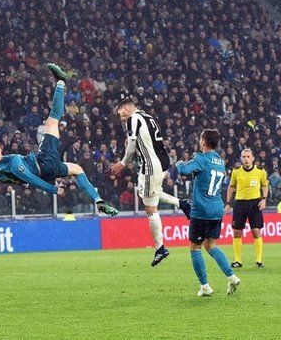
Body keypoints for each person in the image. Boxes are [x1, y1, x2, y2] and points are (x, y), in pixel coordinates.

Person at [0, 64, 119, 217]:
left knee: (77, 169)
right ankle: (60, 82)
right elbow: (30, 179)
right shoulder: (14, 164)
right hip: (44, 162)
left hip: (46, 170)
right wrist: (54, 190)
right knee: (52, 120)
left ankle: (99, 202)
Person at [110, 95, 191, 266]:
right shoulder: (148, 117)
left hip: (150, 165)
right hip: (162, 162)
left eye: (120, 113)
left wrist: (124, 162)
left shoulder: (132, 119)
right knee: (151, 193)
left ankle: (160, 248)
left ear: (125, 108)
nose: (120, 117)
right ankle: (182, 204)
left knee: (150, 208)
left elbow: (132, 146)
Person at [176, 129, 240, 296]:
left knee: (195, 248)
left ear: (203, 142)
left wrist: (178, 163)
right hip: (217, 209)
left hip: (201, 210)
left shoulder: (201, 158)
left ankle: (205, 286)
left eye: (200, 139)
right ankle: (231, 276)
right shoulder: (220, 161)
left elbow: (183, 170)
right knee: (210, 246)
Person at [225, 149, 268, 268]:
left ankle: (259, 260)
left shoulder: (260, 172)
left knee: (256, 231)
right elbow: (231, 187)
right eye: (244, 157)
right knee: (237, 232)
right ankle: (238, 261)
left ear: (253, 158)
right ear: (241, 158)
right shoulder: (236, 172)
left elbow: (265, 186)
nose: (246, 159)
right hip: (239, 204)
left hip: (255, 203)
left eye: (248, 156)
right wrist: (228, 203)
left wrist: (264, 199)